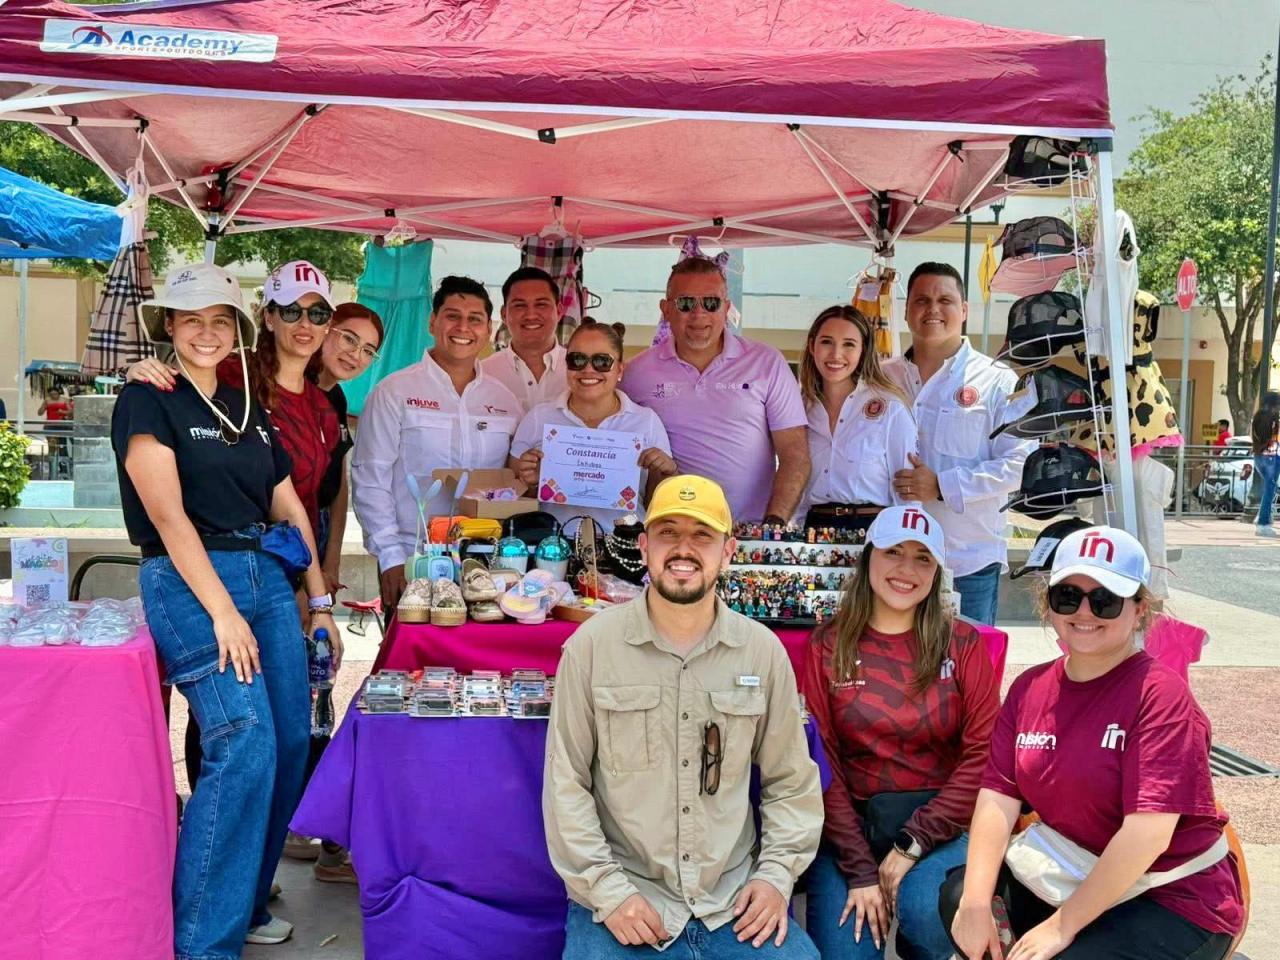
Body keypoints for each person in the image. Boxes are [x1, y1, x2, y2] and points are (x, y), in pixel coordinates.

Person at [112, 263, 339, 956]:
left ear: (238, 330)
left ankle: (244, 903)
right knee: (245, 742)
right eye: (191, 319)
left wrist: (321, 603)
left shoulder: (246, 408)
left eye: (219, 320)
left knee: (291, 744)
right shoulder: (147, 399)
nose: (206, 332)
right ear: (169, 327)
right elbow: (167, 517)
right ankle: (202, 941)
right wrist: (222, 611)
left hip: (265, 576)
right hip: (190, 581)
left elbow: (287, 505)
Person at [543, 474, 824, 959]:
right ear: (645, 547)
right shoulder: (591, 648)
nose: (683, 549)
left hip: (731, 900)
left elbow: (791, 782)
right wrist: (610, 892)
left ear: (728, 551)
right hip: (627, 898)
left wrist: (776, 876)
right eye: (668, 532)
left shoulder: (762, 653)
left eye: (702, 535)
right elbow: (565, 783)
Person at [943, 525, 1244, 960]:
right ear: (1048, 603)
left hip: (1170, 896)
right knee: (961, 899)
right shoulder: (1029, 688)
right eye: (1068, 596)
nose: (1084, 612)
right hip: (1075, 868)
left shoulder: (1160, 696)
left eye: (1105, 599)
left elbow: (1148, 835)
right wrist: (974, 903)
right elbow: (998, 796)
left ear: (1139, 610)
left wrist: (1062, 926)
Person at [801, 504, 999, 960]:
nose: (906, 569)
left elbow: (984, 755)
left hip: (940, 828)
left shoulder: (962, 644)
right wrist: (859, 868)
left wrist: (915, 842)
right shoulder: (827, 644)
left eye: (922, 558)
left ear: (937, 571)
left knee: (927, 914)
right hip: (850, 830)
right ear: (869, 556)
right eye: (893, 551)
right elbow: (819, 759)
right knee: (845, 951)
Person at [352, 275, 520, 613]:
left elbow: (513, 481)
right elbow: (370, 478)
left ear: (489, 329)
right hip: (412, 559)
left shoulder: (506, 401)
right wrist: (390, 557)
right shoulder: (394, 392)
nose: (463, 327)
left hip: (485, 564)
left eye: (475, 319)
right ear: (432, 322)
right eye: (452, 316)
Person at [884, 262, 1034, 625]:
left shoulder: (998, 381)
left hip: (966, 563)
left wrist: (942, 485)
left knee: (966, 661)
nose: (933, 309)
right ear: (906, 310)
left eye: (945, 300)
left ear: (964, 310)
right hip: (889, 562)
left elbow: (1021, 465)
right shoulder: (881, 378)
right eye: (921, 300)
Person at [620, 257, 810, 525]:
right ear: (666, 309)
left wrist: (774, 524)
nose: (699, 314)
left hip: (748, 532)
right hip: (669, 531)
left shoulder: (767, 362)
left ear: (727, 308)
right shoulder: (635, 372)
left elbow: (795, 455)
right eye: (686, 303)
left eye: (711, 303)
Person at [509, 319, 677, 534]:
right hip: (553, 543)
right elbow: (510, 497)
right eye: (577, 360)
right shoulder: (538, 417)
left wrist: (666, 472)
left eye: (602, 361)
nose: (588, 369)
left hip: (625, 543)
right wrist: (530, 484)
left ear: (619, 370)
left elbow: (658, 503)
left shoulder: (646, 421)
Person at [797, 305, 918, 535]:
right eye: (827, 342)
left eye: (849, 344)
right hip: (811, 532)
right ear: (812, 346)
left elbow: (908, 492)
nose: (836, 354)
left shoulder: (891, 408)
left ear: (864, 350)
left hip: (873, 532)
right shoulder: (798, 407)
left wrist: (904, 542)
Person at [309, 302, 385, 595]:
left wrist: (332, 561)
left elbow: (338, 484)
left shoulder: (338, 398)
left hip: (321, 526)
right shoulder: (292, 388)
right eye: (349, 339)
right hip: (284, 533)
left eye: (368, 351)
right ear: (326, 329)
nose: (356, 355)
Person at [481, 266, 568, 413]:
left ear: (559, 311)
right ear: (504, 314)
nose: (531, 315)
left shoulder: (580, 372)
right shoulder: (483, 375)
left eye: (541, 304)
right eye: (519, 305)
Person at [1251, 392, 1279, 537]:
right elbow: (1275, 437)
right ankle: (1263, 524)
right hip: (1272, 456)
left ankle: (1262, 516)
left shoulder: (1257, 416)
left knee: (1269, 489)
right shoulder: (1274, 417)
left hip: (1258, 455)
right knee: (1270, 490)